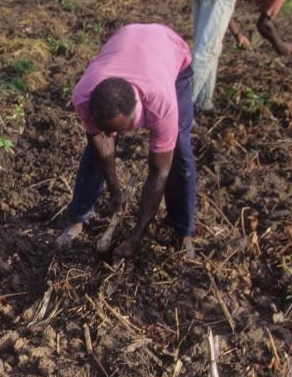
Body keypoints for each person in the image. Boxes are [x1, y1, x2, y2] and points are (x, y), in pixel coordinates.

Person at [55, 24, 196, 260]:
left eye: (116, 130)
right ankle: (77, 219)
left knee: (179, 152)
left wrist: (136, 235)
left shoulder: (160, 105)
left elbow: (159, 171)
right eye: (105, 129)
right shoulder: (84, 96)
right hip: (126, 41)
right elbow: (99, 141)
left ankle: (183, 229)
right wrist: (115, 190)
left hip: (169, 51)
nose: (111, 136)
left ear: (136, 114)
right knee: (94, 154)